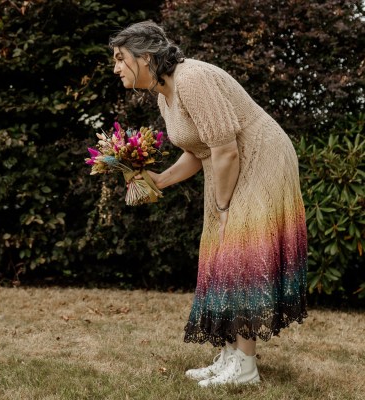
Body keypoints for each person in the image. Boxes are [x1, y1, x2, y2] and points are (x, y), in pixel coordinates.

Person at [110, 21, 308, 386]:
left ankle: (245, 367)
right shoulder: (164, 95)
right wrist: (161, 179)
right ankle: (231, 355)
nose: (116, 67)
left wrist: (223, 205)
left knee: (241, 254)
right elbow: (198, 151)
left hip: (261, 159)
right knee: (222, 254)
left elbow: (226, 149)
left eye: (121, 59)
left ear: (146, 57)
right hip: (229, 164)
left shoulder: (191, 79)